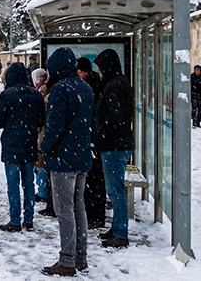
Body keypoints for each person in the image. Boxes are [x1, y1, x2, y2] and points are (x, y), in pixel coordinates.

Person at [40, 47, 94, 276]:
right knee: (78, 206)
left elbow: (54, 126)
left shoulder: (61, 89)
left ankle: (67, 260)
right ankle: (80, 257)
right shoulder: (86, 87)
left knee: (64, 210)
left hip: (63, 160)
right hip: (82, 156)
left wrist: (44, 149)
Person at [0, 62, 45, 232]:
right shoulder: (36, 95)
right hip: (29, 146)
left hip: (11, 148)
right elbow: (40, 121)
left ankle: (15, 221)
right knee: (29, 184)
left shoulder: (6, 95)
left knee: (13, 184)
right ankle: (29, 220)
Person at [93, 49, 134, 248]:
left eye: (100, 67)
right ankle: (117, 227)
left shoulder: (116, 86)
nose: (99, 71)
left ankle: (120, 233)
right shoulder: (119, 82)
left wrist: (98, 134)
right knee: (115, 188)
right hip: (117, 144)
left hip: (115, 146)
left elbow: (114, 117)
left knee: (115, 190)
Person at [77, 56, 106, 230]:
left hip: (94, 140)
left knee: (94, 180)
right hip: (93, 139)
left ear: (85, 72)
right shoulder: (95, 84)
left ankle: (95, 215)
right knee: (93, 179)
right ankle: (93, 213)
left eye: (79, 72)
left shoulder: (91, 87)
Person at [31, 68, 51, 207]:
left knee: (40, 162)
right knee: (40, 162)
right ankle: (43, 190)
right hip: (42, 131)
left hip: (42, 132)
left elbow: (40, 112)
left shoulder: (42, 90)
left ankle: (43, 191)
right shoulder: (43, 88)